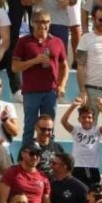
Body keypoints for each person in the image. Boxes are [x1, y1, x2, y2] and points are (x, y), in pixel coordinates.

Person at [13, 11, 68, 146]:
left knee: (49, 128)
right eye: (39, 22)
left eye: (46, 22)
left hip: (51, 92)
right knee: (30, 128)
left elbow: (64, 67)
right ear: (33, 23)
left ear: (50, 24)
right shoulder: (24, 42)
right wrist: (34, 61)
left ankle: (48, 157)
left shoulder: (57, 42)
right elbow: (15, 67)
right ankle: (26, 156)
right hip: (31, 92)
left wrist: (62, 85)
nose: (42, 25)